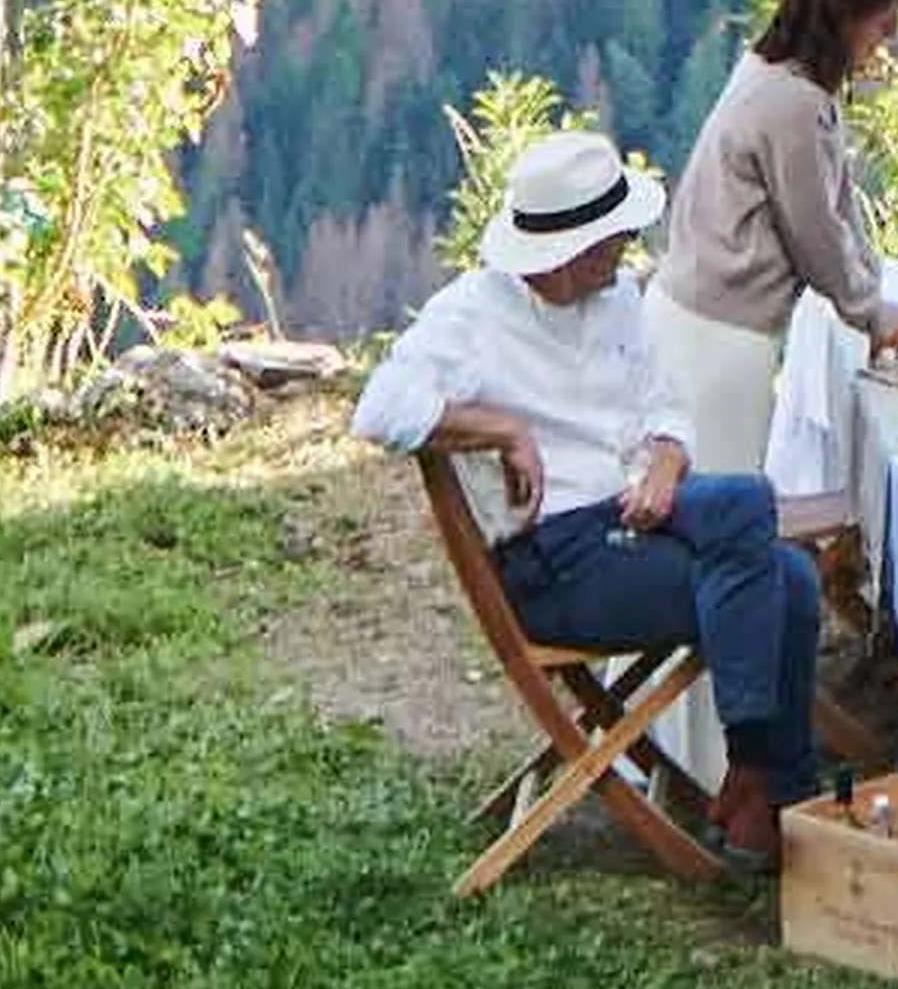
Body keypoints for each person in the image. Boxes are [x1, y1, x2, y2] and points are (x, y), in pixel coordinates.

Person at [352, 127, 822, 864]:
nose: (626, 251)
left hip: (633, 514)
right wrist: (503, 427)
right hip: (557, 560)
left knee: (750, 507)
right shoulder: (473, 315)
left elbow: (664, 407)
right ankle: (767, 785)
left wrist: (667, 458)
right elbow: (379, 409)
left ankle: (756, 776)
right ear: (565, 254)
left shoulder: (618, 300)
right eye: (613, 241)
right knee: (786, 577)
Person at [650, 0, 898, 472]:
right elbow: (814, 233)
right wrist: (869, 311)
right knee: (720, 499)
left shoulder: (779, 75)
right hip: (716, 336)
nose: (892, 31)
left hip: (700, 316)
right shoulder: (792, 104)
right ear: (847, 16)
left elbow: (837, 205)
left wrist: (868, 288)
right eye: (885, 16)